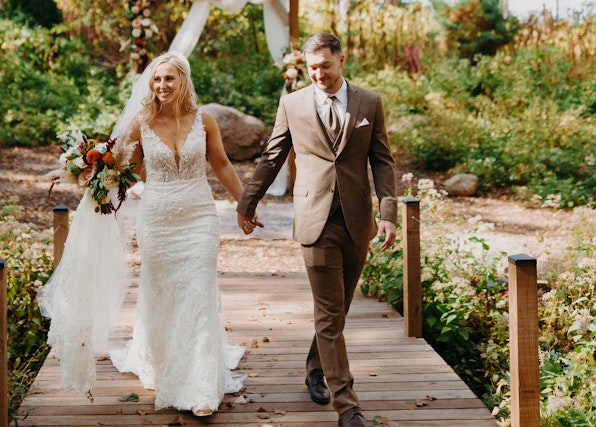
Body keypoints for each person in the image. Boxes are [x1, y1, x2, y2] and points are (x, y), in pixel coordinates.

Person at [236, 32, 398, 427]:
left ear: (341, 60)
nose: (319, 74)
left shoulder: (370, 103)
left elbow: (382, 161)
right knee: (329, 312)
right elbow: (272, 155)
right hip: (315, 220)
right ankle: (348, 406)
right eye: (312, 68)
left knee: (337, 311)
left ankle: (314, 369)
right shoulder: (292, 104)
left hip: (358, 220)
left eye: (325, 65)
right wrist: (247, 202)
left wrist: (388, 212)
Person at [109, 51, 246, 418]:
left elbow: (221, 164)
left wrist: (244, 205)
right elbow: (131, 173)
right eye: (156, 79)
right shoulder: (140, 123)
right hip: (157, 220)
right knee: (164, 293)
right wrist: (99, 176)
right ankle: (165, 362)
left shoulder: (205, 119)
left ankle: (201, 386)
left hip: (199, 217)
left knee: (198, 291)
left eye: (169, 78)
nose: (162, 85)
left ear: (183, 80)